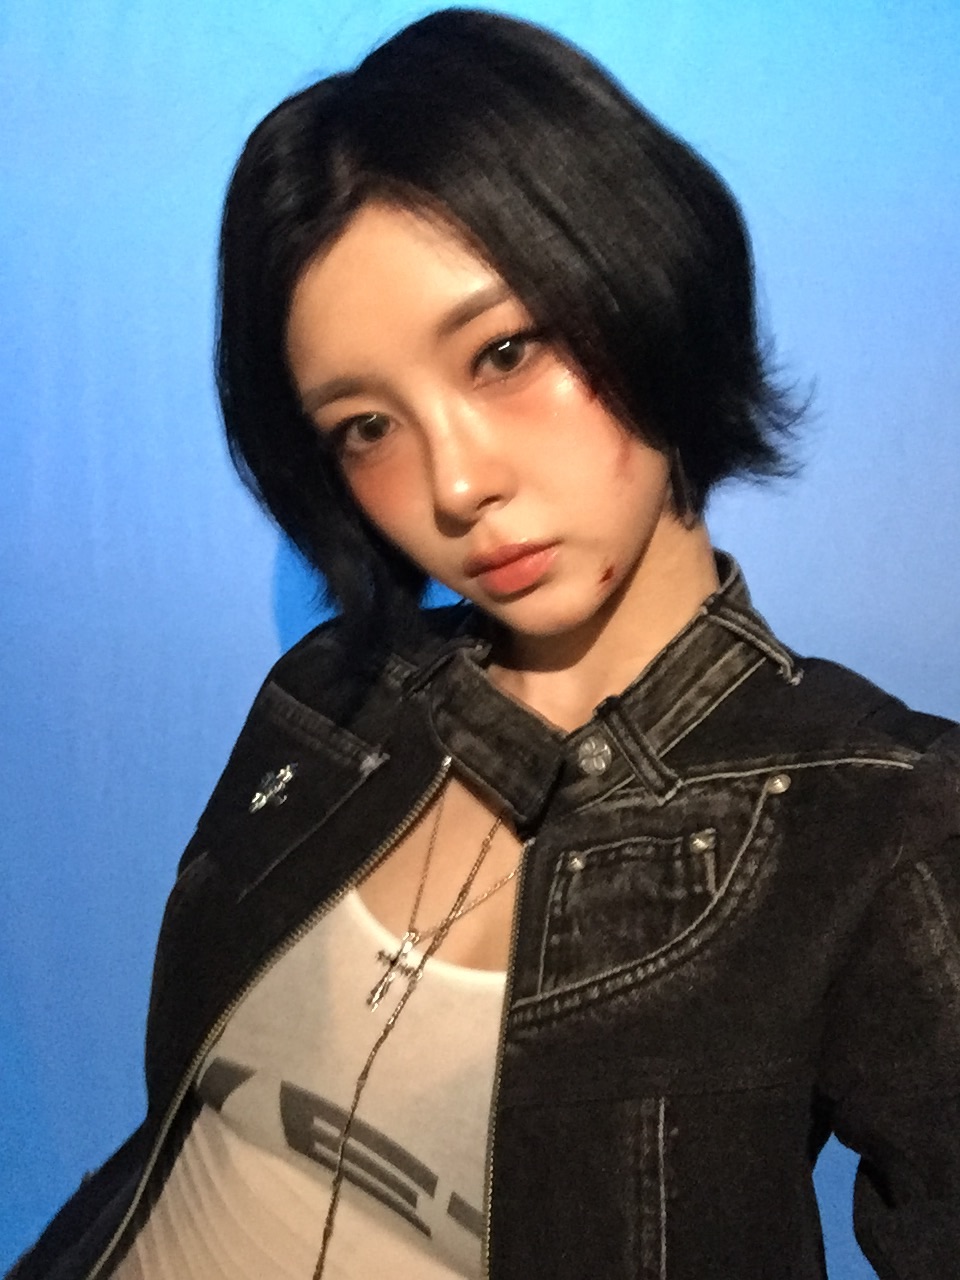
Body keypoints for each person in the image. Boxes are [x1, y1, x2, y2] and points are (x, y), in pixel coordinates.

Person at [9, 8, 960, 1279]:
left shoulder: (876, 816)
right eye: (365, 426)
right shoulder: (325, 698)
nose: (453, 484)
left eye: (504, 352)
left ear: (642, 277)